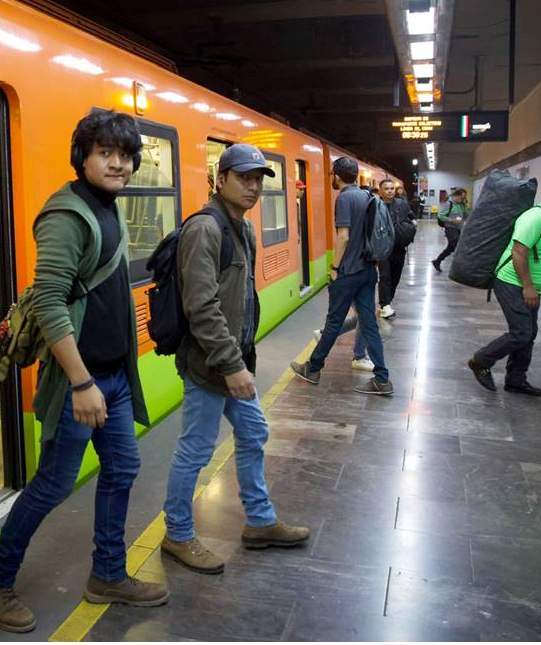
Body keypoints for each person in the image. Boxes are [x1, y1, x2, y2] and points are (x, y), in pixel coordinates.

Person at [0, 109, 167, 633]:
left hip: (114, 379)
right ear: (82, 156)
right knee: (52, 485)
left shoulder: (108, 207)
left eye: (126, 156)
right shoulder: (67, 214)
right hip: (81, 381)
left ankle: (107, 574)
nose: (118, 164)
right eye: (106, 153)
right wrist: (81, 382)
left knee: (123, 469)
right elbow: (52, 302)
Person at [160, 144, 310, 574]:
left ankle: (260, 522)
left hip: (233, 360)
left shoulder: (241, 228)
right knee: (196, 450)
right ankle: (178, 533)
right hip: (210, 365)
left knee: (253, 432)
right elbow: (202, 308)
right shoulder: (205, 229)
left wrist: (241, 358)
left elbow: (239, 298)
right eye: (244, 177)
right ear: (219, 179)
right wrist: (231, 365)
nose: (253, 186)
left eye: (259, 179)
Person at [468, 178, 541, 396]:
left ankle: (516, 380)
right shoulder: (536, 217)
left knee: (529, 333)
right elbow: (518, 252)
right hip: (511, 282)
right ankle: (480, 361)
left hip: (530, 286)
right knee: (521, 332)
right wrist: (528, 287)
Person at [290, 156, 392, 395]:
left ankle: (313, 368)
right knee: (369, 325)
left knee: (333, 323)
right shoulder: (368, 196)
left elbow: (343, 237)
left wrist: (334, 268)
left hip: (349, 272)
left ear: (336, 175)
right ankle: (382, 378)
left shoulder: (344, 198)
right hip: (368, 270)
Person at [377, 179, 415, 319]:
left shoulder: (402, 204)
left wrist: (412, 224)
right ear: (380, 191)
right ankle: (384, 305)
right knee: (385, 276)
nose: (390, 191)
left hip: (399, 246)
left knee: (396, 276)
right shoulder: (375, 206)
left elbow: (410, 217)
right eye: (386, 188)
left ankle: (388, 301)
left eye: (392, 188)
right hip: (382, 247)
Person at [432, 188, 470, 272]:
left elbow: (467, 215)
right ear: (456, 196)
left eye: (463, 198)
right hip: (450, 228)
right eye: (461, 197)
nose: (462, 199)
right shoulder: (449, 204)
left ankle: (437, 261)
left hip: (458, 229)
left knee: (451, 247)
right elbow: (440, 215)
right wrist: (452, 220)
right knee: (455, 245)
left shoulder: (461, 205)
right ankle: (459, 267)